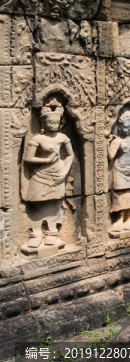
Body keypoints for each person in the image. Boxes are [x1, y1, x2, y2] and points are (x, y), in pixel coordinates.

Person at [21, 98, 74, 251]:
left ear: (60, 123)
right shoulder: (37, 138)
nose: (53, 125)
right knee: (37, 203)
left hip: (58, 174)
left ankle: (52, 232)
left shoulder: (63, 138)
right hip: (40, 175)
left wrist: (64, 171)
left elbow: (70, 156)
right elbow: (27, 158)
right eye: (50, 123)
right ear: (43, 123)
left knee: (55, 203)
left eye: (56, 122)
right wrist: (46, 160)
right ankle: (36, 233)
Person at [108, 108, 130, 237]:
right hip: (119, 171)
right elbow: (111, 156)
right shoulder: (117, 141)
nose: (128, 130)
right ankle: (119, 219)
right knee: (120, 195)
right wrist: (105, 144)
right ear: (119, 126)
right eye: (125, 127)